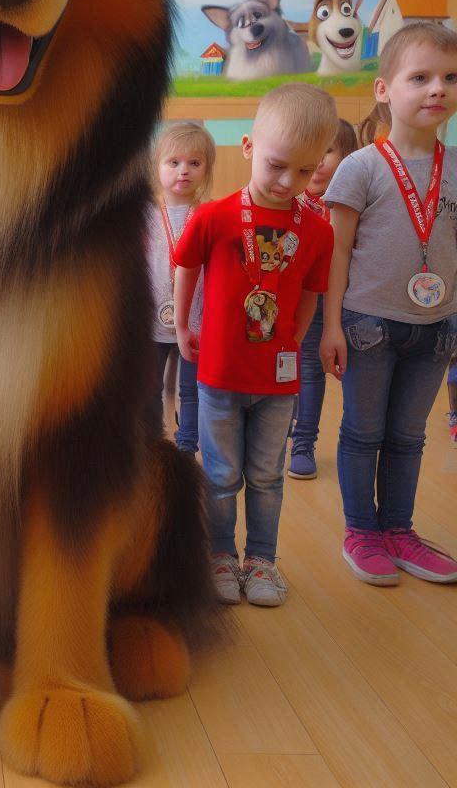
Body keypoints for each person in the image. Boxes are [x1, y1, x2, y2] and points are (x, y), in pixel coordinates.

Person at [174, 84, 336, 607]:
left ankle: (261, 559)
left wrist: (292, 338)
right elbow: (187, 266)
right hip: (219, 374)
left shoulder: (316, 229)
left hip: (278, 380)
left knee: (267, 476)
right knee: (220, 475)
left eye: (306, 172)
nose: (290, 183)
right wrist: (181, 325)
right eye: (276, 165)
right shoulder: (215, 216)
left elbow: (311, 294)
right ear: (248, 147)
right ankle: (221, 554)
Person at [320, 22, 457, 586]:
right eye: (420, 77)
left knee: (408, 436)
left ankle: (399, 530)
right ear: (384, 90)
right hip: (369, 326)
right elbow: (337, 253)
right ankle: (361, 531)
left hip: (436, 329)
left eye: (450, 78)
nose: (437, 89)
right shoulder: (362, 167)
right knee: (363, 432)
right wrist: (330, 327)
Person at [287, 118, 358, 479]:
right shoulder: (289, 201)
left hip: (339, 303)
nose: (317, 161)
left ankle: (303, 441)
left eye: (327, 151)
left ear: (348, 155)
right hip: (295, 302)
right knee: (296, 369)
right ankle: (294, 432)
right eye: (309, 152)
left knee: (314, 371)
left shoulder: (355, 203)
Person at [146, 121, 214, 452]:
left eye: (194, 163)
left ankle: (188, 444)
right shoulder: (143, 215)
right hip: (150, 322)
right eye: (173, 163)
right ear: (157, 166)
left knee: (193, 389)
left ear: (207, 169)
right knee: (148, 388)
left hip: (197, 321)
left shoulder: (209, 215)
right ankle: (152, 444)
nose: (183, 171)